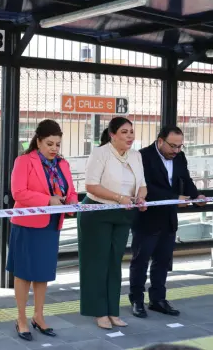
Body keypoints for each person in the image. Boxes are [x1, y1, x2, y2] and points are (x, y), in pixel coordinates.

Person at [7, 120, 78, 341]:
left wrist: (72, 204)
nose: (54, 149)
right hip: (27, 225)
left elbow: (71, 190)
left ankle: (39, 315)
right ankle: (21, 318)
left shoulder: (62, 164)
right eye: (49, 143)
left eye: (57, 144)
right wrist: (48, 200)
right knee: (24, 274)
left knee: (43, 273)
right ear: (38, 141)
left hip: (51, 224)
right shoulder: (23, 161)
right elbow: (18, 193)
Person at [78, 117, 148, 330]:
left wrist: (141, 198)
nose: (130, 136)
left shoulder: (136, 156)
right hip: (97, 212)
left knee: (114, 263)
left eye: (132, 132)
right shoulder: (101, 153)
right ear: (113, 135)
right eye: (125, 132)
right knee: (97, 264)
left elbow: (142, 185)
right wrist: (120, 197)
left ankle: (112, 311)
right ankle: (98, 311)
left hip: (123, 214)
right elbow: (91, 185)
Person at [130, 126, 205, 318]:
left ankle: (158, 299)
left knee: (163, 261)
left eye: (180, 146)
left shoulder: (179, 157)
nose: (176, 151)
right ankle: (137, 299)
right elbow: (143, 187)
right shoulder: (142, 156)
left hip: (169, 218)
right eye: (173, 146)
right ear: (160, 141)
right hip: (147, 218)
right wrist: (174, 197)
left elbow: (185, 179)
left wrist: (196, 196)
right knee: (141, 261)